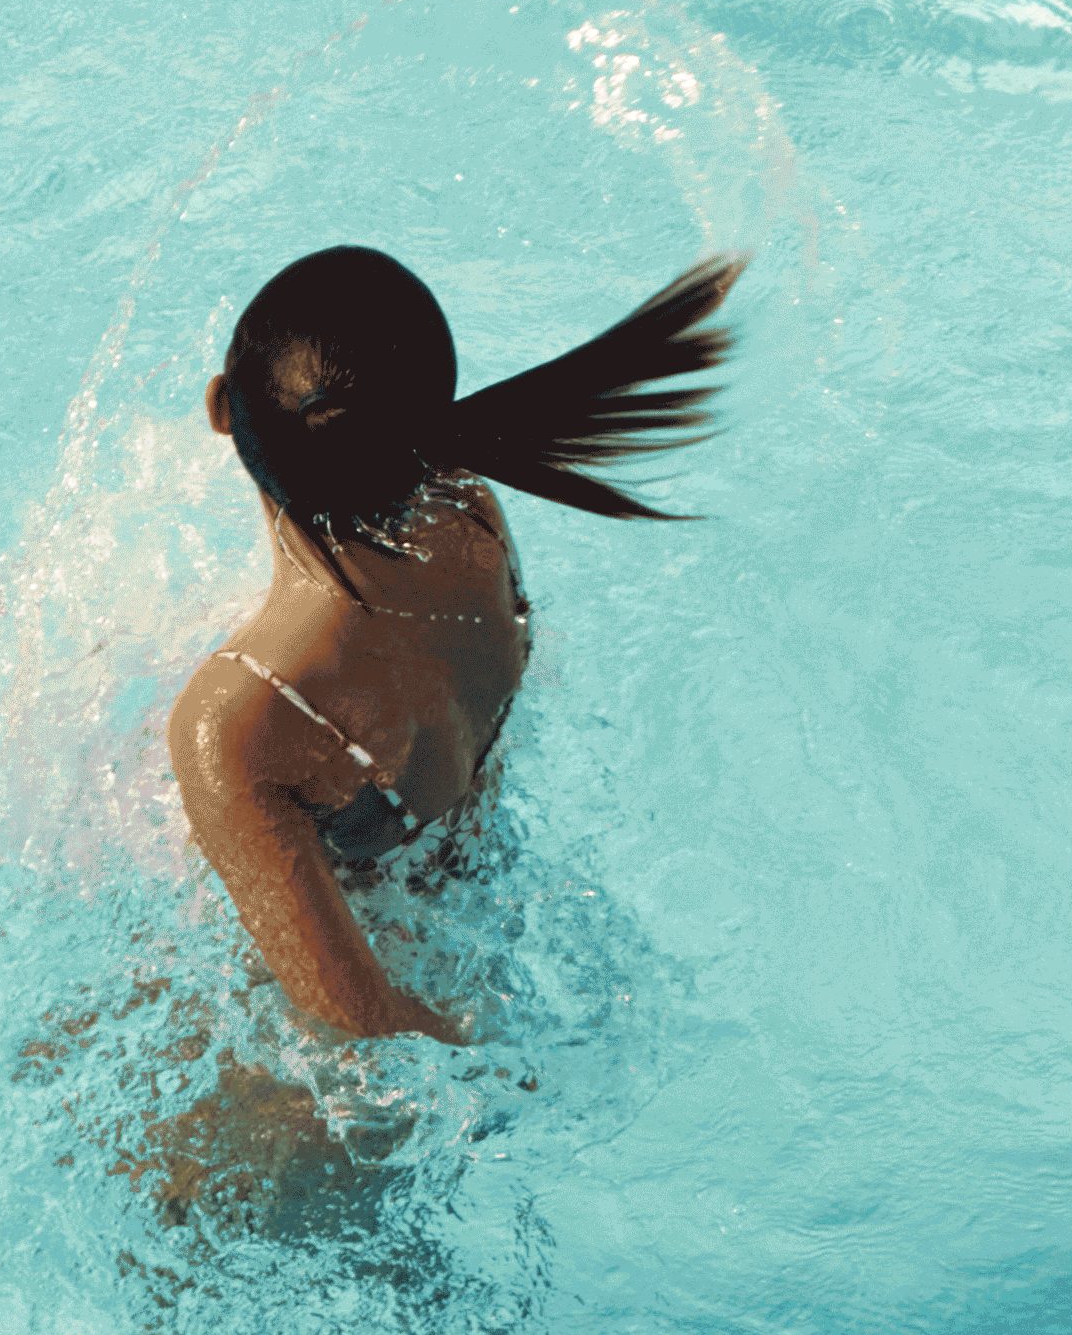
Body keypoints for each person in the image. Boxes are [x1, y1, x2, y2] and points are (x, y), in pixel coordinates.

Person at [163, 236, 738, 1063]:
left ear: (221, 408)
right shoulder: (475, 525)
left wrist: (504, 1069)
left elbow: (359, 1023)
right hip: (479, 914)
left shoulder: (243, 716)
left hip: (326, 1069)